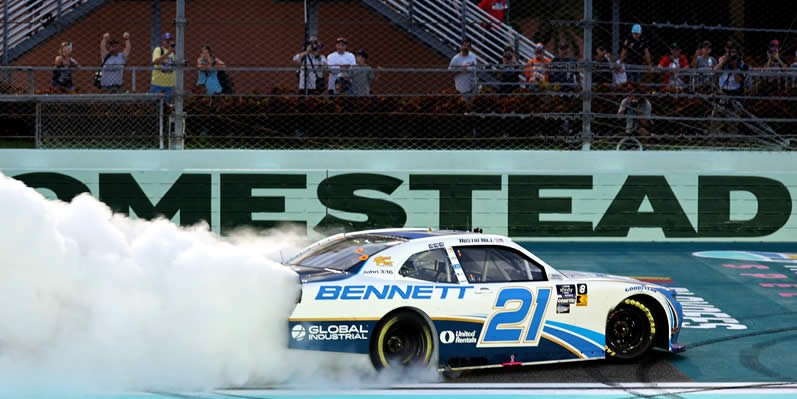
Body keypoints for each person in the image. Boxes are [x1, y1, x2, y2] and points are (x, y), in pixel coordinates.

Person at [710, 44, 750, 134]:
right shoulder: (723, 62)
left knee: (733, 119)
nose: (732, 55)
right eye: (731, 53)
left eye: (734, 53)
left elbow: (738, 80)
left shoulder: (743, 66)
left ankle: (733, 138)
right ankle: (714, 137)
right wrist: (723, 62)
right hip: (722, 93)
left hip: (735, 94)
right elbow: (714, 72)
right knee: (716, 116)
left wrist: (735, 66)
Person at [151, 32, 177, 104]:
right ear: (163, 41)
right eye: (166, 40)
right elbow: (155, 61)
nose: (168, 42)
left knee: (168, 106)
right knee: (155, 105)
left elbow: (179, 64)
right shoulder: (158, 49)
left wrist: (175, 52)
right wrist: (168, 53)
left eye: (170, 40)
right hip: (158, 83)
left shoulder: (174, 52)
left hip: (170, 84)